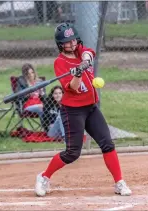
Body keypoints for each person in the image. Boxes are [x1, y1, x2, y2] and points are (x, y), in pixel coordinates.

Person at [34, 23, 132, 197]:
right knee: (72, 153)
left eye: (73, 40)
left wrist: (85, 62)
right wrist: (77, 74)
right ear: (60, 44)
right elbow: (72, 88)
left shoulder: (79, 50)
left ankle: (119, 182)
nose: (72, 45)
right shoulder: (60, 63)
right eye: (67, 42)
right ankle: (43, 176)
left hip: (91, 108)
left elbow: (89, 53)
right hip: (72, 111)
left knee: (107, 143)